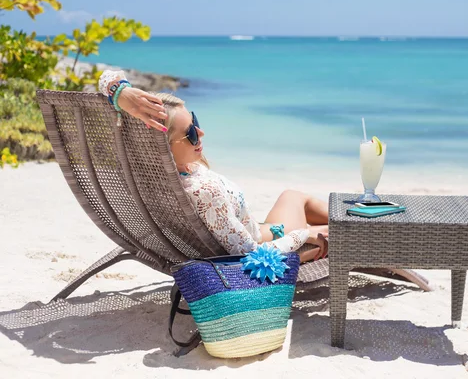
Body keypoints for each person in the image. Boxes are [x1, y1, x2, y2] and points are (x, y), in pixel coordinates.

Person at [98, 70, 432, 290]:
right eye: (189, 132)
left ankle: (379, 232)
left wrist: (121, 93)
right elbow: (248, 257)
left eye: (196, 121)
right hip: (260, 253)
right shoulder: (206, 190)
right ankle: (385, 239)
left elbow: (105, 78)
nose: (201, 133)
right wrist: (304, 235)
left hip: (251, 234)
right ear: (165, 148)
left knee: (293, 195)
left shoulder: (157, 177)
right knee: (315, 216)